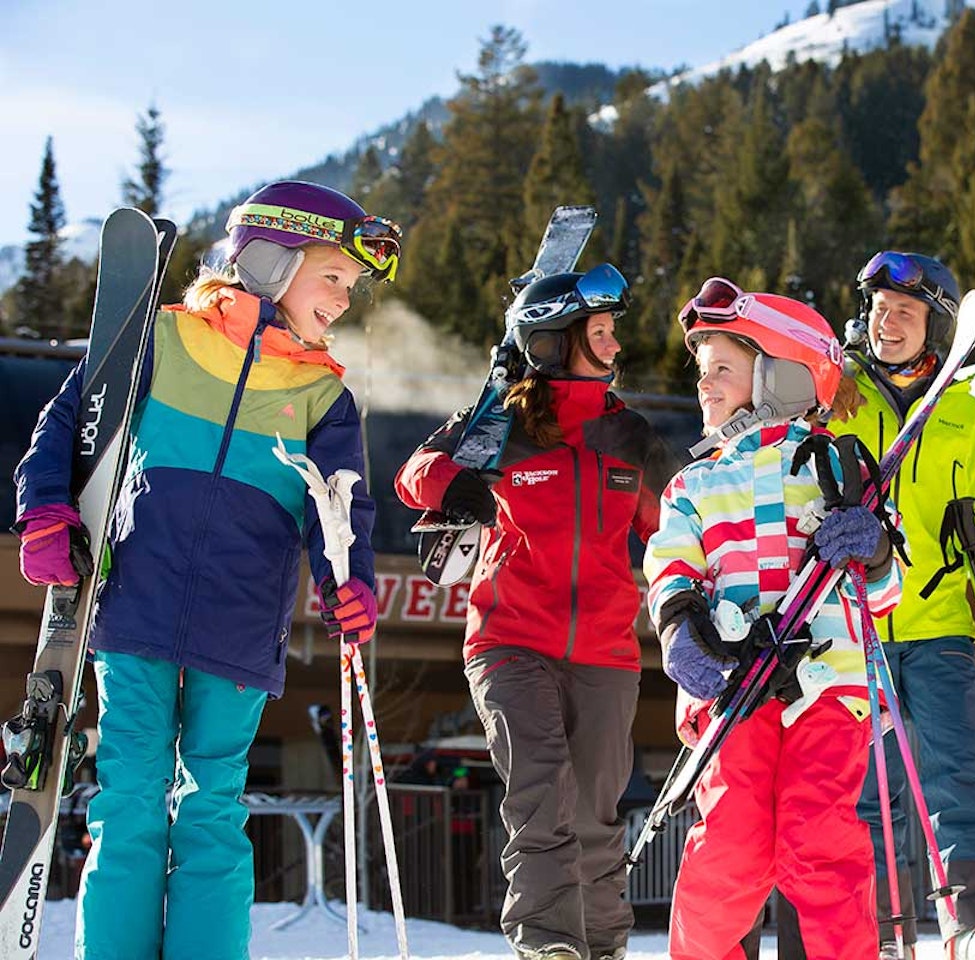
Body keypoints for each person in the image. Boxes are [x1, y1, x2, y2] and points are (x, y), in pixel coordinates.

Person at [14, 179, 394, 959]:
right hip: (135, 606)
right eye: (334, 277)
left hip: (242, 623)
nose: (345, 300)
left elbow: (342, 509)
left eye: (351, 288)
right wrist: (48, 508)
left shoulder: (324, 393)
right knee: (128, 801)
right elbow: (67, 421)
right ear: (268, 258)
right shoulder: (162, 338)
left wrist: (345, 583)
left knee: (213, 806)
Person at [394, 264, 674, 960]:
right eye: (600, 334)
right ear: (553, 343)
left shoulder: (628, 436)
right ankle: (549, 944)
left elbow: (677, 523)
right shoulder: (504, 423)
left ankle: (603, 945)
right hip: (512, 640)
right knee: (542, 796)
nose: (614, 347)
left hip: (607, 651)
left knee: (596, 815)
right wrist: (457, 483)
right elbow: (414, 474)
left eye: (613, 333)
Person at [644, 279, 903, 960]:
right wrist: (679, 623)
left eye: (723, 369)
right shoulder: (691, 486)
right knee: (730, 844)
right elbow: (670, 563)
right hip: (737, 686)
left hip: (830, 684)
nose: (705, 386)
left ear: (782, 371)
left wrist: (872, 548)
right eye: (701, 373)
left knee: (816, 835)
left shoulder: (840, 466)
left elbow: (884, 595)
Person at [825, 251, 975, 960]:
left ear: (934, 327)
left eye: (905, 313)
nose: (888, 323)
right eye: (879, 310)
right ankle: (875, 929)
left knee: (958, 775)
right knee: (864, 790)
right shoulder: (835, 395)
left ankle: (973, 921)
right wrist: (831, 386)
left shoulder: (962, 414)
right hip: (854, 627)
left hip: (940, 620)